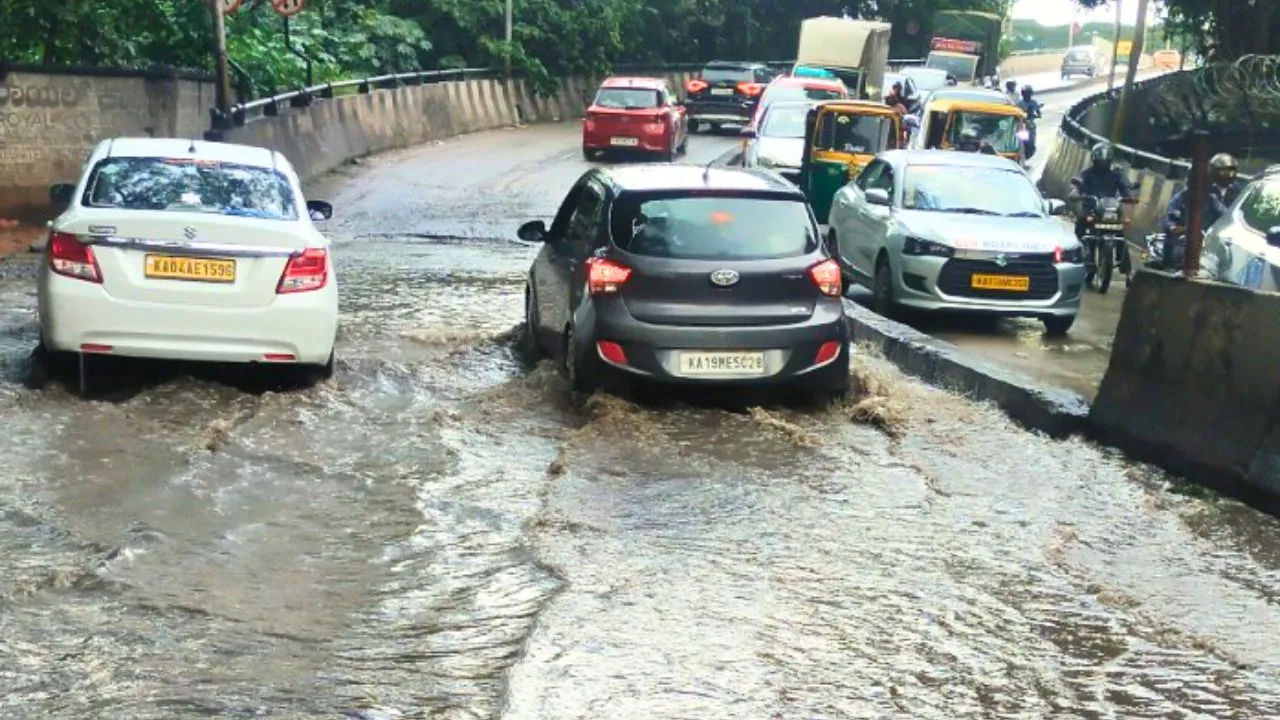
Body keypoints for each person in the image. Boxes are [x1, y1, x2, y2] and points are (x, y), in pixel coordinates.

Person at [1160, 153, 1247, 269]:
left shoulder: (1235, 193)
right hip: (1189, 238)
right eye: (1224, 171)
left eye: (1232, 171)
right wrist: (1173, 227)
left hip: (1216, 239)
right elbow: (1171, 215)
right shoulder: (1187, 195)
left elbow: (1230, 216)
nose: (1229, 174)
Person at [1069, 142, 1136, 274]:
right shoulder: (1087, 174)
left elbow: (1124, 187)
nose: (1103, 163)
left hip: (1110, 211)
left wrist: (1128, 196)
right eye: (1100, 160)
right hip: (1091, 210)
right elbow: (1077, 186)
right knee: (1081, 225)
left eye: (1105, 160)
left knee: (1121, 234)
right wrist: (1075, 193)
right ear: (1094, 159)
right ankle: (1077, 254)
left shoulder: (1116, 175)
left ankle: (1126, 268)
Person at [1016, 85, 1042, 158]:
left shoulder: (1034, 102)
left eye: (1029, 93)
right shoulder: (1019, 103)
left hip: (1030, 124)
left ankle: (1031, 148)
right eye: (1025, 93)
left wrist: (1037, 114)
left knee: (1031, 139)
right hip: (1021, 123)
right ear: (1023, 94)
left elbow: (1038, 112)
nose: (1027, 95)